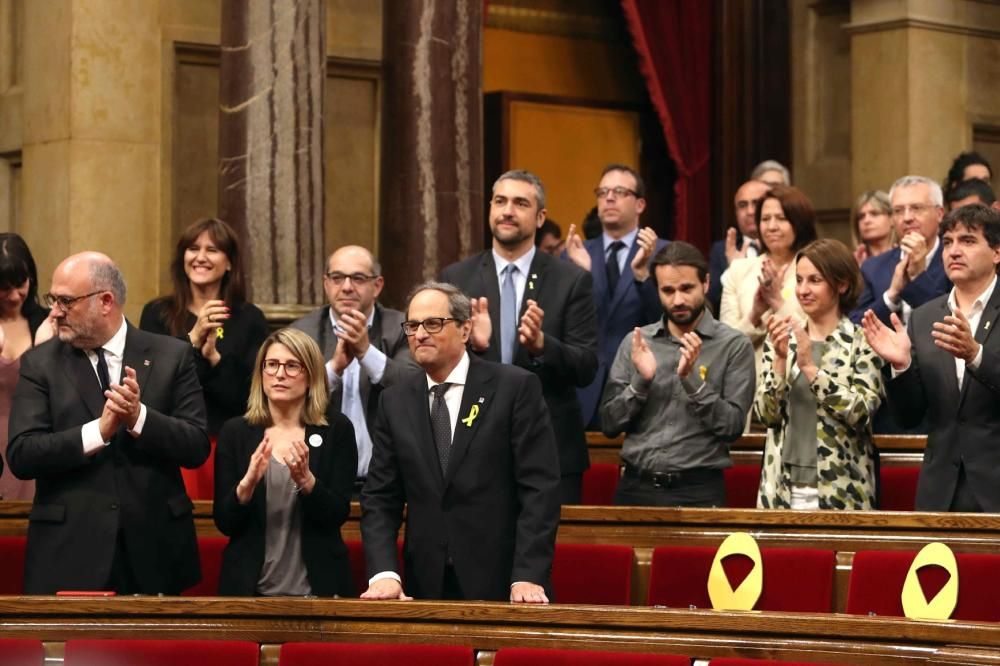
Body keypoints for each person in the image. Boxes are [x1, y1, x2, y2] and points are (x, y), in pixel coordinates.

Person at [8, 252, 208, 594]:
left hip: (154, 550)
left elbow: (195, 446)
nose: (54, 311)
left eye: (66, 301)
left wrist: (139, 417)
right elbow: (23, 454)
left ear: (106, 301)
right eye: (52, 300)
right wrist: (96, 433)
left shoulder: (171, 355)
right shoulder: (40, 365)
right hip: (70, 550)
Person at [360, 282, 560, 602]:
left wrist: (527, 575)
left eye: (433, 324)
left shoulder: (514, 388)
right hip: (425, 583)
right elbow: (381, 498)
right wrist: (385, 573)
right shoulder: (394, 401)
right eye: (412, 326)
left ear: (465, 329)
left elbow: (540, 490)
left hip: (504, 581)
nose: (420, 334)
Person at [441, 170, 597, 504]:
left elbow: (587, 366)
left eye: (520, 203)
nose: (508, 210)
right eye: (500, 201)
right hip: (475, 447)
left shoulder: (570, 280)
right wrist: (473, 347)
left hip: (551, 448)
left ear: (540, 217)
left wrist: (543, 346)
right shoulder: (457, 278)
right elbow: (434, 363)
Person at [862, 204, 1000, 512]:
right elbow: (910, 417)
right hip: (940, 492)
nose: (953, 251)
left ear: (997, 253)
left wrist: (976, 356)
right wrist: (902, 367)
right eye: (948, 242)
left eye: (967, 241)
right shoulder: (925, 317)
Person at [601, 242, 755, 507]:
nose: (678, 300)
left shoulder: (734, 345)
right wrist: (641, 381)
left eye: (686, 288)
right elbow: (609, 424)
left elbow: (732, 427)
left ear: (706, 284)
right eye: (668, 291)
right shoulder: (637, 342)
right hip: (636, 487)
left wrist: (692, 380)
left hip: (699, 490)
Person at [214, 328, 357, 596]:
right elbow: (224, 522)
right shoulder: (236, 432)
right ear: (261, 373)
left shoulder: (336, 429)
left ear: (310, 376)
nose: (280, 374)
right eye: (272, 365)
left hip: (320, 586)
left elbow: (338, 514)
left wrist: (308, 482)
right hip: (247, 589)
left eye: (292, 366)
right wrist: (246, 486)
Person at [756, 239, 883, 510]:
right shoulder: (781, 339)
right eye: (799, 280)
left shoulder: (862, 341)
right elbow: (765, 415)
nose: (803, 290)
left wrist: (812, 370)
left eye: (814, 280)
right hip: (780, 488)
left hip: (843, 488)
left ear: (842, 284)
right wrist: (780, 360)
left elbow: (862, 411)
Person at [291, 245, 416, 489]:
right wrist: (334, 368)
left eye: (358, 278)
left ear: (377, 286)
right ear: (326, 284)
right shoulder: (300, 334)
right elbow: (286, 398)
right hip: (316, 478)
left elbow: (415, 386)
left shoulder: (403, 328)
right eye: (337, 278)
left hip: (389, 480)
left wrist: (365, 353)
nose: (347, 287)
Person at [563, 164, 668, 431]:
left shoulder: (663, 254)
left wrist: (644, 275)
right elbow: (566, 323)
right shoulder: (574, 254)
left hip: (644, 386)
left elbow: (668, 320)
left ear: (640, 204)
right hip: (584, 390)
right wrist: (584, 276)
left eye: (619, 192)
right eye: (603, 192)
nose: (609, 198)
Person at [140, 218, 267, 435]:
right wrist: (194, 338)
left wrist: (215, 359)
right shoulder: (157, 312)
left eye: (212, 250)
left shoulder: (249, 318)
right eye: (193, 249)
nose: (200, 257)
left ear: (229, 263)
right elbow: (151, 384)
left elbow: (253, 397)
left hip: (229, 438)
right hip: (171, 435)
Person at [720, 185, 817, 377]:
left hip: (800, 382)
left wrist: (777, 302)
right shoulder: (739, 270)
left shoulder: (817, 269)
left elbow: (818, 334)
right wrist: (754, 315)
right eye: (765, 219)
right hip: (749, 385)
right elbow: (725, 344)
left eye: (781, 218)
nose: (771, 226)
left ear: (800, 222)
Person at [849, 176, 951, 326]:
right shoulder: (873, 267)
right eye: (898, 211)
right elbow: (854, 325)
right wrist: (891, 296)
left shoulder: (955, 260)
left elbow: (950, 321)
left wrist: (918, 277)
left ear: (940, 214)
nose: (907, 218)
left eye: (917, 208)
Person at [0, 234, 49, 500]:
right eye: (3, 287)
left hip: (34, 439)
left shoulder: (46, 322)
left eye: (20, 284)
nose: (14, 295)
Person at [708, 179, 771, 314]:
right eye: (742, 205)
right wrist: (733, 270)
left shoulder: (783, 247)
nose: (750, 211)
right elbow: (711, 300)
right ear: (736, 212)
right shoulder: (721, 250)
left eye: (756, 203)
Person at [850, 190, 896, 266]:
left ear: (892, 219)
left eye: (874, 214)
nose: (866, 221)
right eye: (861, 217)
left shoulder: (905, 255)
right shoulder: (851, 262)